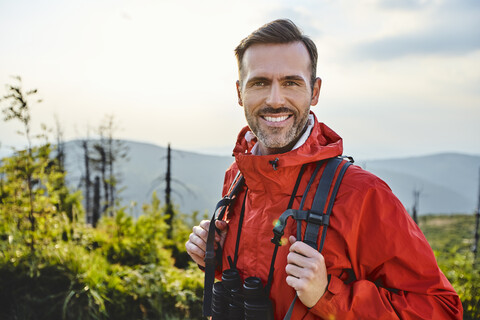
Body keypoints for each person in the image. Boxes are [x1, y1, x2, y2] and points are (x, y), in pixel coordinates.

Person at [185, 19, 462, 319]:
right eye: (260, 83)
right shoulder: (238, 178)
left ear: (314, 92)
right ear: (240, 93)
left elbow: (440, 309)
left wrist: (328, 295)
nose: (275, 100)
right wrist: (215, 256)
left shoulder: (361, 194)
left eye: (291, 82)